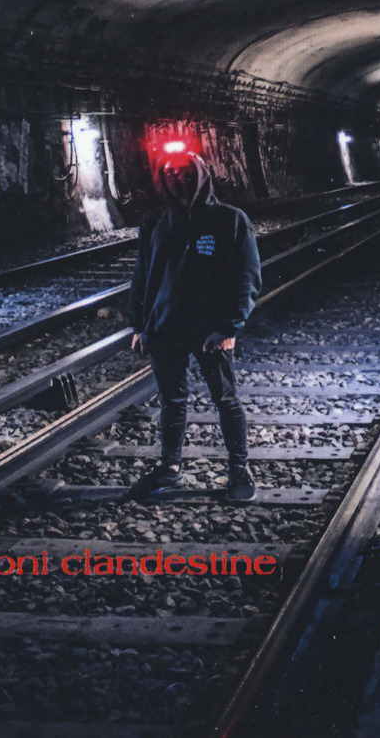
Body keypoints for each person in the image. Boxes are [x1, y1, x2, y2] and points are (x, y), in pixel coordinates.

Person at [128, 150, 262, 502]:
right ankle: (169, 467)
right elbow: (142, 276)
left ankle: (239, 467)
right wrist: (139, 326)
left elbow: (246, 277)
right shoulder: (155, 222)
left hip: (210, 333)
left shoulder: (230, 220)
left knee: (226, 399)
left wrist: (229, 327)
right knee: (173, 401)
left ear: (201, 173)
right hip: (165, 328)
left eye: (185, 171)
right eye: (169, 172)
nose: (177, 178)